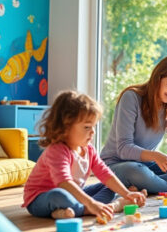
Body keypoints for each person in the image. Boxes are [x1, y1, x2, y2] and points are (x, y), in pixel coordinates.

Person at [23, 90, 146, 220]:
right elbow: (64, 183)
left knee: (108, 186)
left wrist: (126, 194)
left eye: (93, 126)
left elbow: (105, 174)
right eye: (87, 127)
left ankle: (73, 210)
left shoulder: (89, 150)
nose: (92, 131)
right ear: (65, 127)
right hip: (41, 199)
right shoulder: (57, 150)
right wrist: (91, 202)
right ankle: (109, 206)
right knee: (59, 195)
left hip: (73, 195)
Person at [100, 55, 167, 194]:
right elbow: (123, 148)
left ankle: (148, 184)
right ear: (158, 79)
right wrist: (156, 156)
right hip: (116, 165)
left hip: (145, 166)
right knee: (136, 172)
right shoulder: (131, 98)